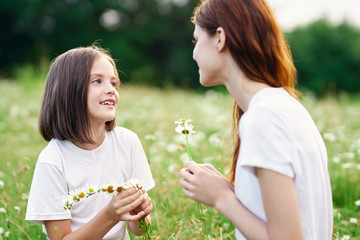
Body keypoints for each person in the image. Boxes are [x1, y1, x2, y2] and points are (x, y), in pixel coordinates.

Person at [179, 0, 333, 239]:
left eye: (196, 40)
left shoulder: (264, 119)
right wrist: (229, 189)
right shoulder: (284, 106)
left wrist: (222, 198)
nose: (194, 52)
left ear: (220, 38)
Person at [25, 45, 155, 240]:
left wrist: (140, 213)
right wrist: (110, 215)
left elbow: (139, 230)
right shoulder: (53, 160)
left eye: (113, 83)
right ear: (68, 91)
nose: (111, 90)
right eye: (97, 81)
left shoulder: (128, 143)